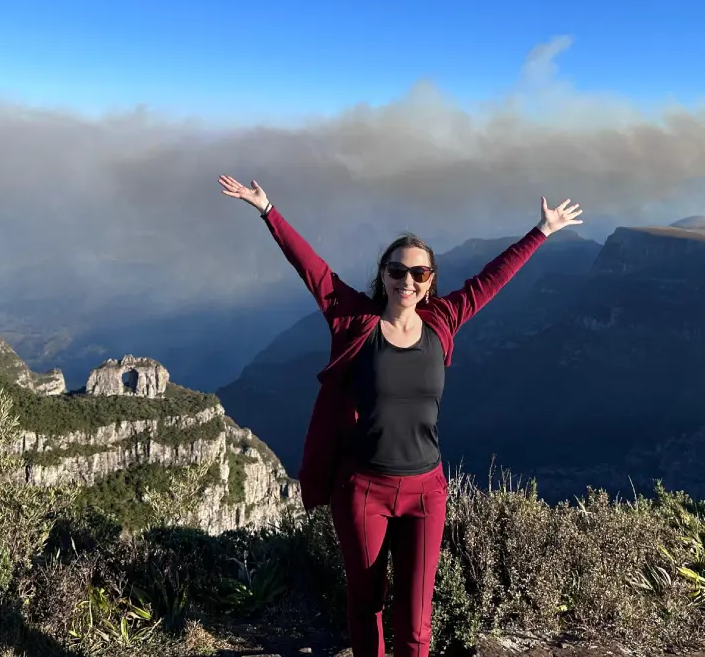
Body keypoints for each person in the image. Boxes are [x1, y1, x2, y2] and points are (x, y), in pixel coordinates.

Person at [217, 175, 583, 657]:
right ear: (383, 275)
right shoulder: (354, 320)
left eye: (419, 273)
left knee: (415, 620)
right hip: (362, 490)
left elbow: (492, 279)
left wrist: (541, 232)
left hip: (426, 491)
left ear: (431, 280)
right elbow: (314, 271)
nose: (406, 281)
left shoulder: (444, 320)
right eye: (397, 271)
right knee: (366, 602)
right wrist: (267, 209)